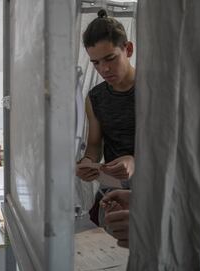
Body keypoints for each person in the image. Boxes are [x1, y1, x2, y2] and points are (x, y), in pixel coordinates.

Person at [75, 9, 135, 244]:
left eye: (110, 59)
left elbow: (173, 146)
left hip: (156, 185)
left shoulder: (154, 88)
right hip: (114, 189)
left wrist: (134, 160)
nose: (104, 70)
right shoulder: (95, 97)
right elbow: (93, 145)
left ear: (128, 49)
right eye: (96, 63)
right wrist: (87, 163)